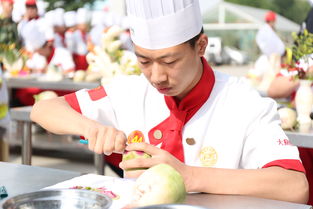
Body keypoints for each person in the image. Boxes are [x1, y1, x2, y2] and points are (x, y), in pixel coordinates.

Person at [30, 0, 309, 204]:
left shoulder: (242, 102)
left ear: (201, 46)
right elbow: (44, 109)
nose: (156, 76)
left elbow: (294, 186)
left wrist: (188, 176)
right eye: (144, 61)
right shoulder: (128, 91)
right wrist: (91, 128)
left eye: (169, 61)